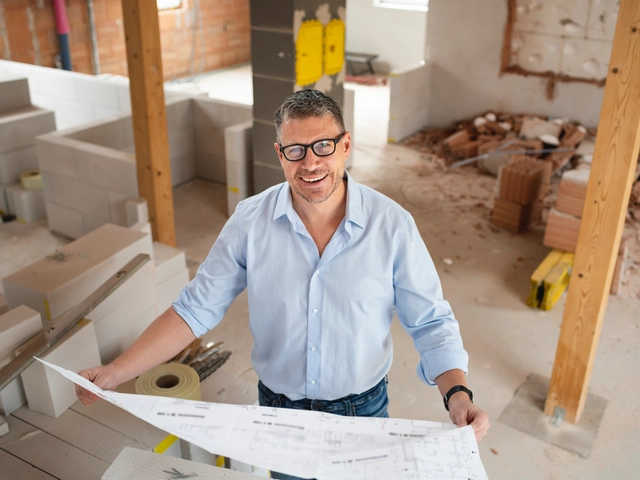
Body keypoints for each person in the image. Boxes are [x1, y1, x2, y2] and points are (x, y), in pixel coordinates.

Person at [77, 89, 489, 479]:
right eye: (295, 150)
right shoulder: (249, 222)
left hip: (361, 411)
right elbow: (193, 310)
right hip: (279, 413)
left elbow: (432, 323)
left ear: (346, 145)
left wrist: (458, 395)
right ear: (279, 154)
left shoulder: (392, 226)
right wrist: (116, 372)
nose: (310, 164)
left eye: (323, 146)